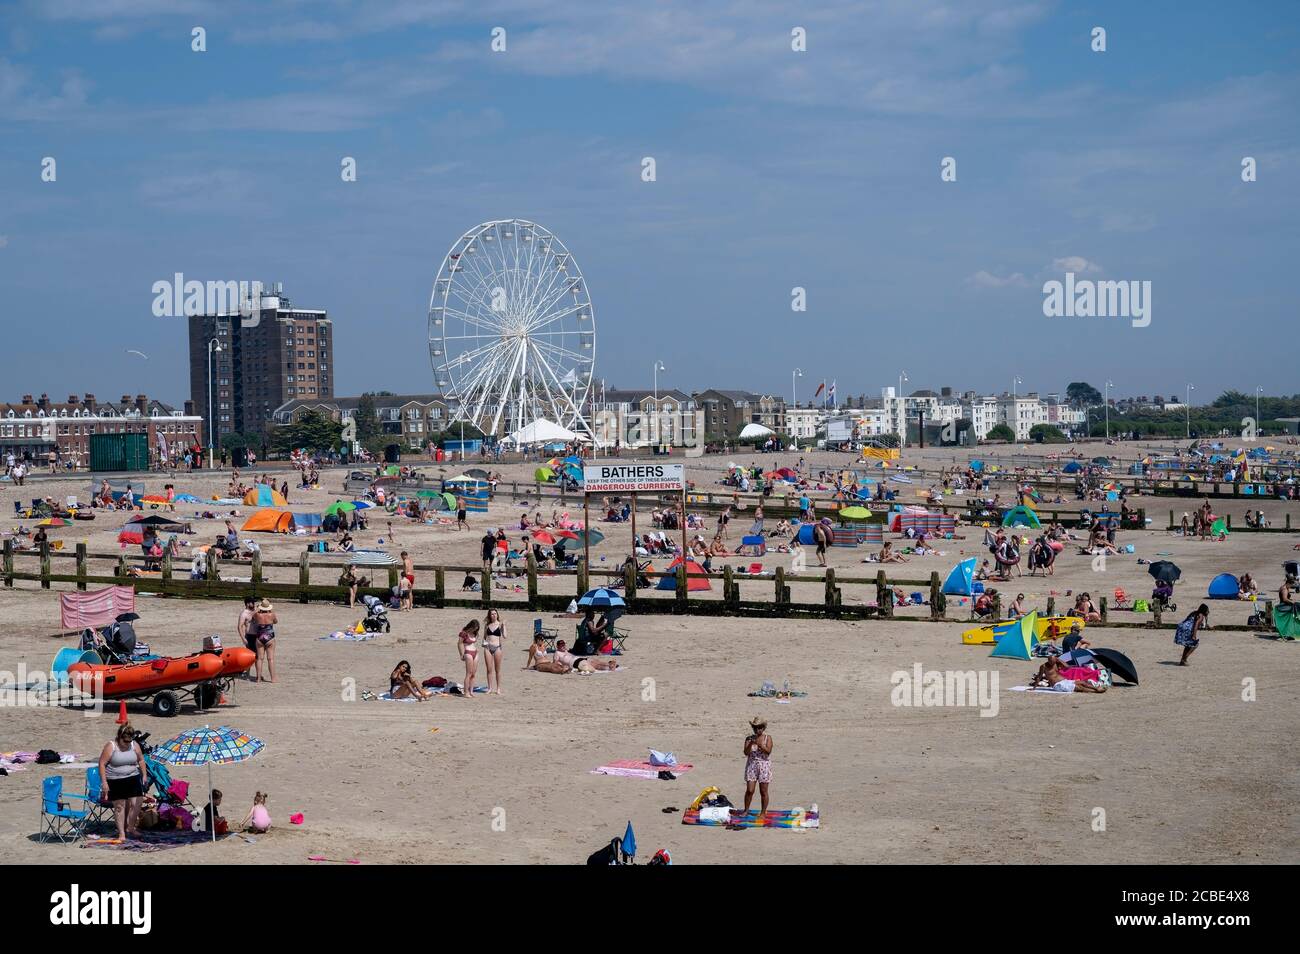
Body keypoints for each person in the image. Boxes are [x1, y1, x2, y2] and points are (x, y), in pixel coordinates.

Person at [98, 722, 147, 841]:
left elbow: (141, 760)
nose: (127, 744)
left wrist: (144, 775)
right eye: (125, 741)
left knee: (136, 804)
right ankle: (121, 833)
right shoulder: (111, 746)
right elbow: (102, 764)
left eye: (129, 741)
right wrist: (104, 782)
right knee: (120, 807)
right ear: (119, 737)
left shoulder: (134, 745)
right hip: (115, 780)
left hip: (133, 777)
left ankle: (130, 827)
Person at [734, 717, 773, 819]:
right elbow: (746, 753)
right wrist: (751, 743)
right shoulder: (749, 738)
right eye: (755, 728)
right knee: (750, 790)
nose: (757, 730)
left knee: (763, 791)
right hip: (752, 765)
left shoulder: (767, 738)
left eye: (759, 727)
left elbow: (768, 751)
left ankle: (763, 813)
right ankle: (746, 810)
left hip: (764, 766)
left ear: (763, 728)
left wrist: (760, 745)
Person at [250, 598, 277, 683]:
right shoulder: (272, 615)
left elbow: (252, 614)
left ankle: (258, 678)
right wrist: (271, 610)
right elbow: (275, 622)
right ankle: (273, 678)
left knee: (260, 659)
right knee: (270, 659)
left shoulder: (258, 615)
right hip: (270, 637)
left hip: (260, 637)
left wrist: (258, 609)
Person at [482, 608, 506, 695]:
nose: (494, 615)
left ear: (497, 615)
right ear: (489, 615)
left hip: (497, 648)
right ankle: (489, 688)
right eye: (492, 614)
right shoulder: (487, 625)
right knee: (489, 669)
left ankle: (498, 688)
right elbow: (484, 636)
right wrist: (484, 644)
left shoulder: (499, 624)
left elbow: (505, 636)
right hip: (488, 647)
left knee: (497, 669)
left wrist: (504, 626)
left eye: (495, 613)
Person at [457, 619, 480, 696]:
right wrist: (461, 654)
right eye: (474, 628)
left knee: (473, 673)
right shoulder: (464, 633)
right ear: (470, 626)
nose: (475, 629)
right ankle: (466, 692)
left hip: (475, 652)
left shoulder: (475, 633)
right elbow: (459, 643)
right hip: (468, 652)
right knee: (469, 673)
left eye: (476, 628)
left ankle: (471, 691)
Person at [237, 595, 258, 663]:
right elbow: (240, 626)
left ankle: (258, 674)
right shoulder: (244, 614)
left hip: (258, 636)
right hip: (250, 636)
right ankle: (247, 672)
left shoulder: (256, 611)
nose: (254, 604)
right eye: (253, 602)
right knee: (250, 657)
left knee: (258, 657)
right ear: (248, 603)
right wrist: (243, 638)